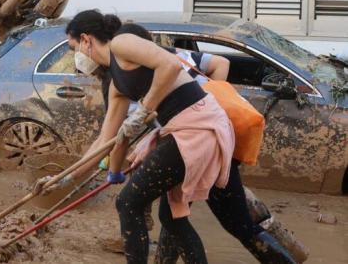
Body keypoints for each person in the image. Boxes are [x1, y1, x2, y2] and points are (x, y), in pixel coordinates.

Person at [37, 10, 235, 264]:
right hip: (179, 130)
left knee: (128, 202)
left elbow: (171, 65)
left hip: (199, 126)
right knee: (171, 217)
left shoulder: (122, 43)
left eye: (74, 47)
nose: (76, 57)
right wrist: (66, 178)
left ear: (86, 39)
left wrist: (143, 110)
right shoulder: (115, 85)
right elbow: (106, 140)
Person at [106, 24, 295, 263]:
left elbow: (214, 67)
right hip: (198, 135)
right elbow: (117, 135)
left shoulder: (157, 63)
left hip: (203, 135)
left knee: (234, 223)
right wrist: (113, 170)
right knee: (176, 215)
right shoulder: (139, 72)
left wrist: (145, 111)